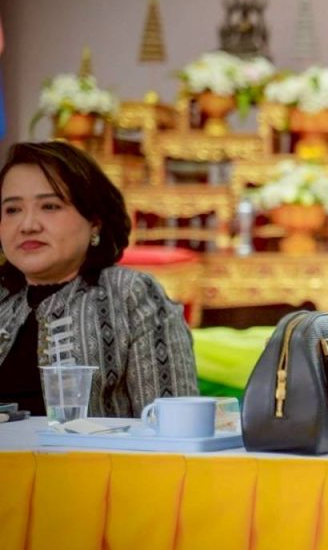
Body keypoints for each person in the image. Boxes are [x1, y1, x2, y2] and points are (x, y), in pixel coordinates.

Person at [0, 141, 197, 417]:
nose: (28, 225)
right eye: (12, 210)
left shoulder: (131, 295)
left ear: (94, 222)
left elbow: (174, 426)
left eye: (50, 206)